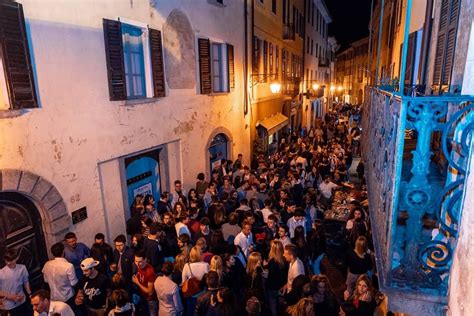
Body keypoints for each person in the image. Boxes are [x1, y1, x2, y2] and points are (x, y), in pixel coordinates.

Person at [42, 242, 78, 308]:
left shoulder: (47, 264)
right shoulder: (68, 266)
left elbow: (46, 280)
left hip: (53, 297)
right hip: (67, 297)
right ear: (63, 251)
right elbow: (74, 283)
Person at [0, 249, 32, 315]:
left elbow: (26, 282)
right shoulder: (1, 272)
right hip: (9, 305)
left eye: (11, 260)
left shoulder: (22, 268)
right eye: (7, 261)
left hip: (22, 301)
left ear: (16, 258)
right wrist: (11, 297)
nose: (8, 263)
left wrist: (30, 294)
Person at [132, 250, 157, 316]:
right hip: (143, 297)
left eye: (139, 261)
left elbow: (150, 292)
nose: (137, 264)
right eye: (136, 261)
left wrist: (137, 282)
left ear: (145, 259)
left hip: (150, 301)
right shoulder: (139, 266)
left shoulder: (149, 272)